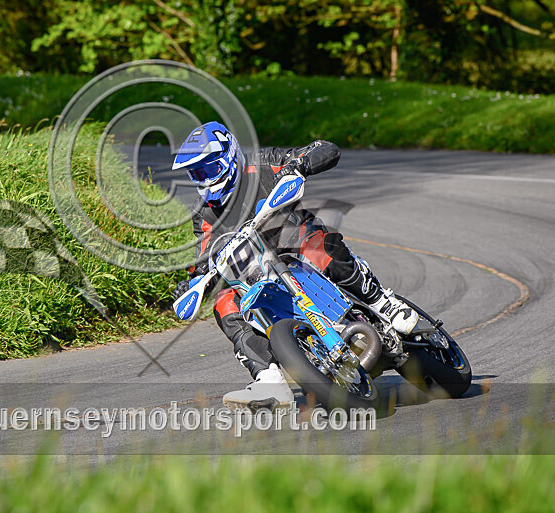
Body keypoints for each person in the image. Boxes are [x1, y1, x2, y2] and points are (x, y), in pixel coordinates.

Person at [171, 121, 418, 409]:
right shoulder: (204, 216)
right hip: (258, 274)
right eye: (196, 173)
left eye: (209, 169)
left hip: (296, 245)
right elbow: (203, 260)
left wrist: (299, 164)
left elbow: (326, 149)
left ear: (229, 156)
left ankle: (382, 302)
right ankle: (267, 377)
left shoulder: (263, 163)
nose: (204, 179)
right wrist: (192, 282)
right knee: (224, 300)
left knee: (315, 245)